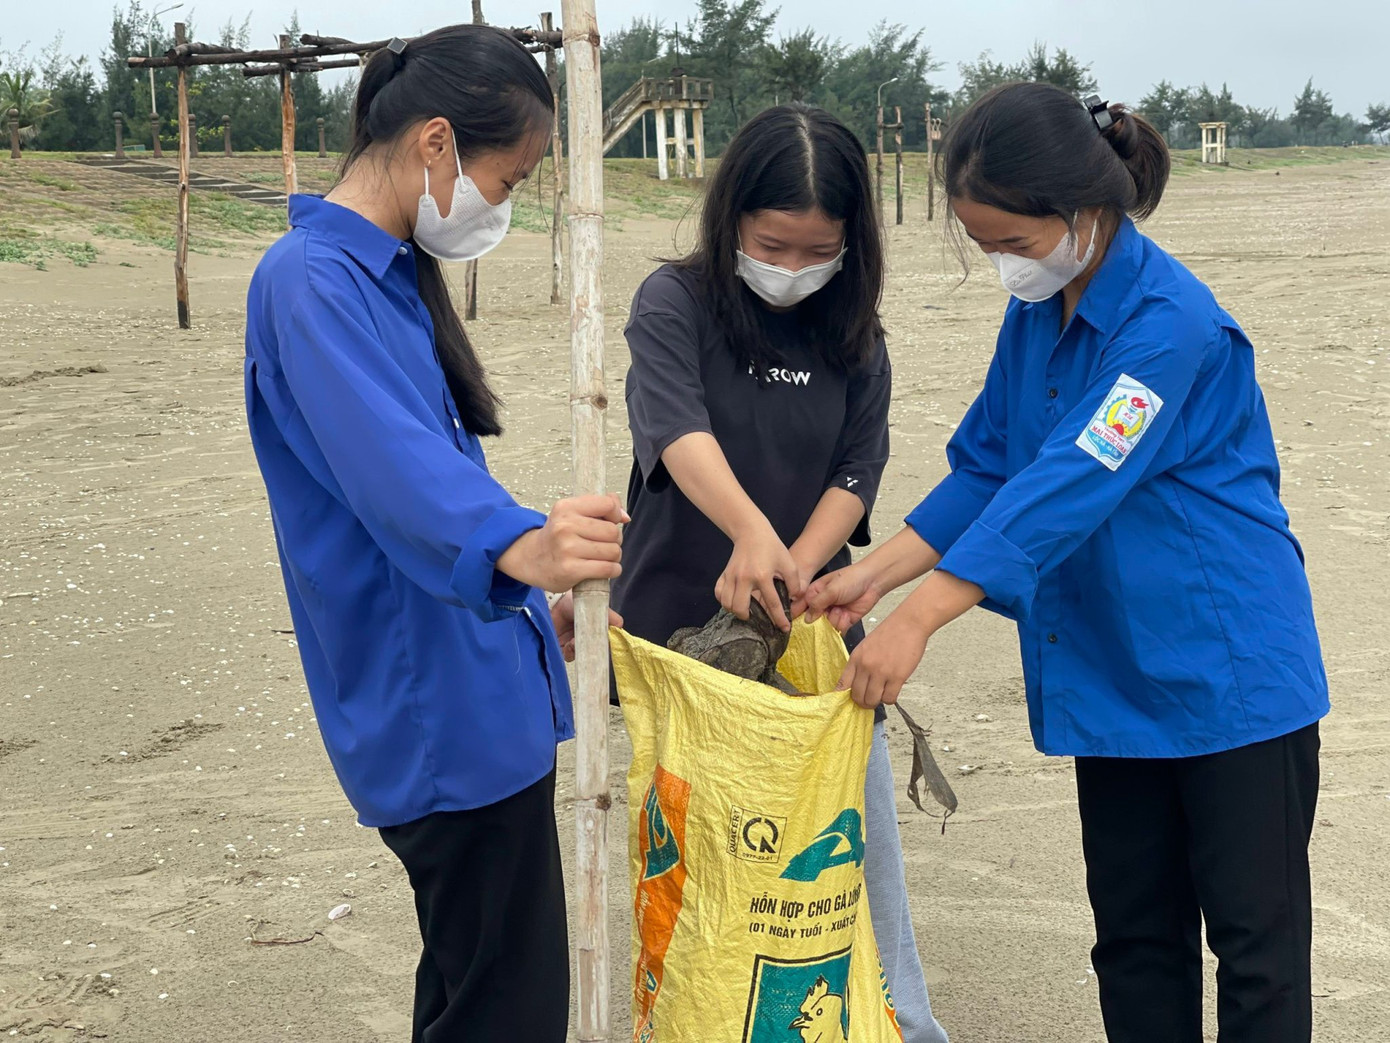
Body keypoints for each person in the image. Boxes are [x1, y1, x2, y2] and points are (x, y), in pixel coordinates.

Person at [801, 83, 1329, 1043]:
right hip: (1113, 669)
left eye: (1012, 242)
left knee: (1257, 945)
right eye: (987, 244)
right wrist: (870, 579)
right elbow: (991, 465)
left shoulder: (1171, 324)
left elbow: (1076, 476)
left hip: (1228, 670)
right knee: (1132, 935)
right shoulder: (1039, 313)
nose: (1005, 265)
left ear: (1087, 210)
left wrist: (920, 617)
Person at [242, 25, 625, 1043]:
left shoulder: (386, 272)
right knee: (509, 1005)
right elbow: (393, 471)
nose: (503, 203)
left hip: (473, 680)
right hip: (433, 712)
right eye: (510, 177)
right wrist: (523, 542)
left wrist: (531, 609)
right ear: (437, 145)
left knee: (472, 985)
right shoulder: (310, 280)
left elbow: (428, 471)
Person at [613, 103, 950, 1043]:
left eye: (818, 251)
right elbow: (676, 429)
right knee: (705, 850)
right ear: (732, 226)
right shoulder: (673, 302)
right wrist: (749, 531)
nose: (794, 269)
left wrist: (798, 564)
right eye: (773, 245)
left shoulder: (854, 330)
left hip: (814, 632)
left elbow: (858, 467)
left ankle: (903, 1023)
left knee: (843, 842)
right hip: (681, 628)